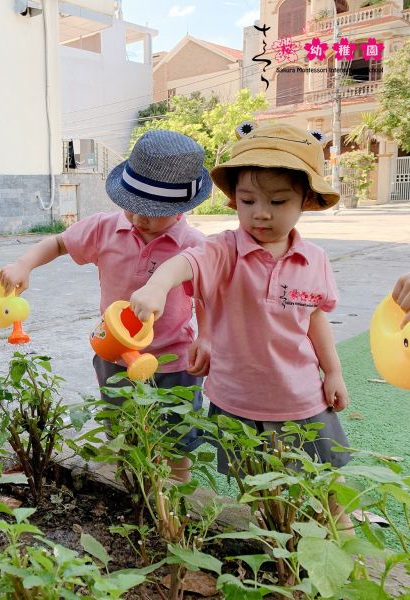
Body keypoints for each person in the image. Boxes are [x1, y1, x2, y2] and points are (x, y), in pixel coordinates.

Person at [129, 123, 352, 529]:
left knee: (329, 486)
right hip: (237, 403)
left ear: (306, 199)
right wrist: (158, 285)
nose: (260, 213)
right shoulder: (225, 249)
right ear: (234, 202)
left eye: (278, 201)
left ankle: (343, 549)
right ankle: (276, 553)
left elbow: (315, 317)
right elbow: (188, 263)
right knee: (257, 492)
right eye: (248, 200)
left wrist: (333, 371)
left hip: (303, 398)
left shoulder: (314, 258)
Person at [0, 130, 212, 481]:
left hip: (174, 360)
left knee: (176, 442)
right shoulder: (105, 228)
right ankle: (128, 488)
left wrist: (206, 336)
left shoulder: (194, 245)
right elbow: (59, 243)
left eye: (152, 212)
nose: (138, 218)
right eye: (132, 206)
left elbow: (205, 295)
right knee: (122, 435)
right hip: (113, 353)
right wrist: (25, 264)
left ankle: (176, 498)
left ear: (181, 208)